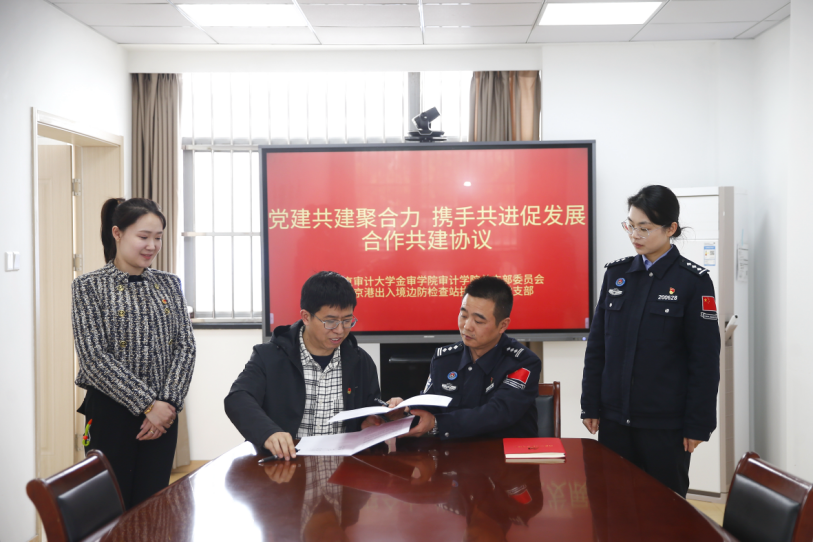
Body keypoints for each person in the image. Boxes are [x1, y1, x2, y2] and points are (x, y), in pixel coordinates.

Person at [580, 185, 721, 497]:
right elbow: (598, 347)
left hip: (665, 425)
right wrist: (590, 403)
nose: (635, 235)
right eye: (630, 226)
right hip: (615, 420)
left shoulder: (693, 281)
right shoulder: (617, 275)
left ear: (670, 228)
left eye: (644, 228)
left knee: (664, 508)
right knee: (614, 504)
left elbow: (705, 360)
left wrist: (698, 424)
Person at [72, 197, 196, 509]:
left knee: (153, 506)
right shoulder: (88, 286)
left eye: (158, 238)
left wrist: (167, 404)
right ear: (117, 233)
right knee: (109, 507)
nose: (152, 246)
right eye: (143, 237)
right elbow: (93, 357)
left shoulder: (170, 284)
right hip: (111, 414)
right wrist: (146, 405)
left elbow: (185, 347)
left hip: (163, 416)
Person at [225, 271, 400, 460]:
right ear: (306, 317)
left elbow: (369, 411)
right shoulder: (269, 357)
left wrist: (384, 415)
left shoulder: (360, 361)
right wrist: (268, 432)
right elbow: (238, 398)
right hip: (286, 463)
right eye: (330, 322)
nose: (340, 330)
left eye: (347, 321)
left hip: (343, 465)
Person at [403, 275, 541, 439]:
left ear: (502, 325)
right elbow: (429, 404)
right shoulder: (444, 360)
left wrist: (438, 423)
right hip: (452, 453)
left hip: (504, 452)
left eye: (478, 321)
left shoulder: (522, 362)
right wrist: (405, 410)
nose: (467, 326)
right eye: (463, 315)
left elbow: (498, 412)